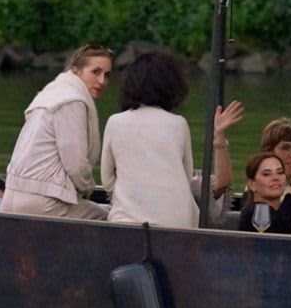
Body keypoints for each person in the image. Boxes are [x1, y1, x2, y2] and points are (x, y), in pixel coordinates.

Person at [100, 51, 244, 228]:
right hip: (179, 223)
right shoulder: (179, 124)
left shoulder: (115, 121)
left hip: (128, 222)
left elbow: (107, 181)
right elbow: (185, 174)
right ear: (171, 86)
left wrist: (131, 193)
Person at [4, 44, 113, 220]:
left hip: (11, 198)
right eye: (96, 72)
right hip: (42, 202)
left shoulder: (50, 95)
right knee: (112, 217)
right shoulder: (72, 101)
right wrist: (87, 189)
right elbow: (76, 165)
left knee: (102, 209)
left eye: (107, 75)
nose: (102, 81)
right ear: (76, 71)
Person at [229, 151, 291, 235]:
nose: (275, 178)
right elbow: (277, 234)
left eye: (280, 172)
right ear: (252, 184)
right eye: (266, 174)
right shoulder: (257, 212)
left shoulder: (282, 211)